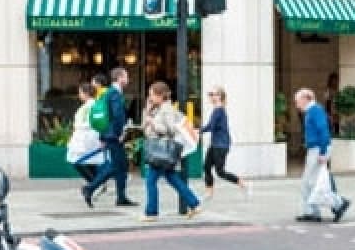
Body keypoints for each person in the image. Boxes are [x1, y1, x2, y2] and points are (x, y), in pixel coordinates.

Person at [141, 81, 200, 222]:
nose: (150, 97)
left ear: (160, 95)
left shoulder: (167, 109)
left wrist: (152, 122)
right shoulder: (157, 109)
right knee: (172, 179)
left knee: (150, 181)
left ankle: (151, 212)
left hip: (161, 150)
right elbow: (145, 129)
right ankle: (194, 204)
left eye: (151, 95)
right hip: (160, 151)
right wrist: (147, 112)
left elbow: (170, 129)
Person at [82, 68, 137, 208]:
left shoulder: (107, 93)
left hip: (109, 134)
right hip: (114, 136)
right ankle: (90, 188)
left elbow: (104, 117)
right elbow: (117, 116)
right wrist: (119, 134)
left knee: (121, 165)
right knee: (116, 165)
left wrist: (102, 136)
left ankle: (121, 197)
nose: (128, 79)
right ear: (119, 78)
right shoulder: (114, 93)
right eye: (126, 76)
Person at [293, 88, 350, 223]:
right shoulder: (311, 112)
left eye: (297, 101)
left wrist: (323, 152)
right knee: (310, 182)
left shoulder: (315, 111)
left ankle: (338, 203)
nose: (296, 104)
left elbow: (323, 130)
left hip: (318, 149)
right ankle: (312, 211)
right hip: (315, 148)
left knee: (312, 182)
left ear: (306, 99)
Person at [199, 85, 249, 199]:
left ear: (219, 96)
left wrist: (198, 131)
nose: (211, 96)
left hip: (221, 145)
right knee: (206, 166)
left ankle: (241, 182)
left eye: (214, 94)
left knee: (220, 172)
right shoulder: (217, 109)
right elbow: (211, 126)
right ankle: (209, 192)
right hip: (215, 144)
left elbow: (211, 126)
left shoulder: (219, 110)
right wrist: (199, 131)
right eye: (210, 94)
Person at [66, 82, 104, 183]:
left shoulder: (88, 107)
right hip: (91, 137)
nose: (79, 95)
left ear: (86, 93)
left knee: (77, 161)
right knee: (90, 162)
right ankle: (96, 183)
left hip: (85, 138)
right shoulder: (96, 105)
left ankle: (95, 183)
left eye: (80, 92)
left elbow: (81, 123)